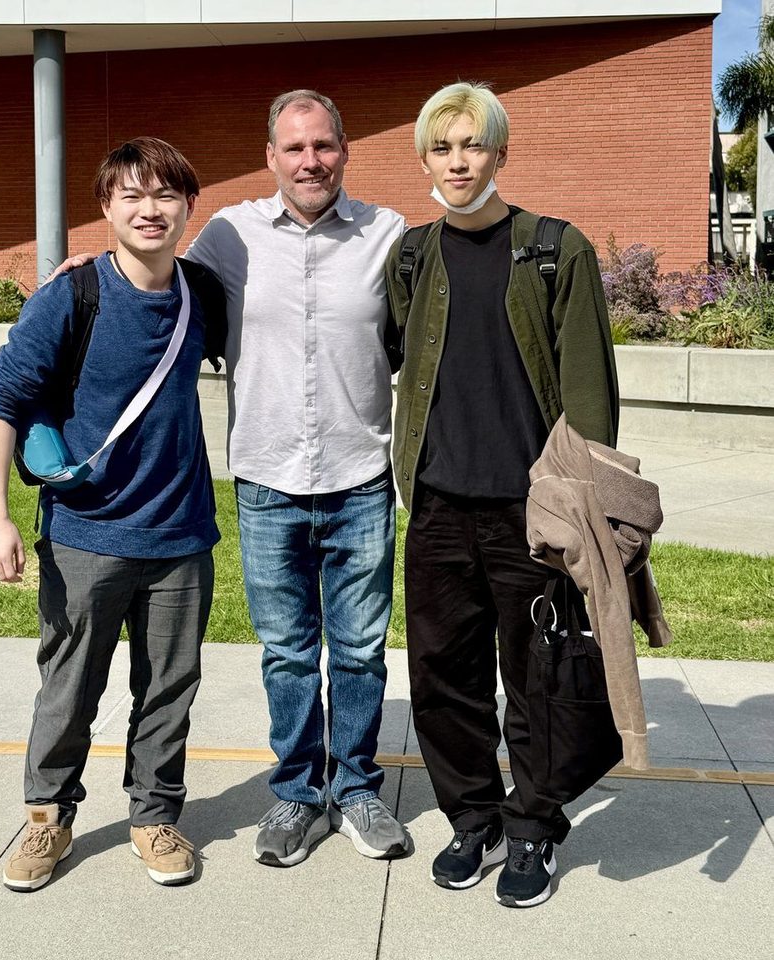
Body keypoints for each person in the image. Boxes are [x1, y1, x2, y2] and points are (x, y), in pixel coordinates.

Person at [385, 82, 618, 908]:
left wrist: (586, 510)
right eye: (441, 147)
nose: (457, 160)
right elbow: (378, 352)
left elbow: (589, 394)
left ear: (500, 154)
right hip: (440, 506)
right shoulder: (411, 256)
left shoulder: (556, 249)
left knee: (538, 679)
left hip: (534, 514)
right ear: (424, 160)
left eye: (472, 144)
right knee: (442, 677)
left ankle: (533, 826)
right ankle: (472, 817)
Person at [0, 137, 225, 891]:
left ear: (188, 206)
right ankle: (47, 818)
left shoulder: (203, 294)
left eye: (166, 196)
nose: (150, 210)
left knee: (169, 686)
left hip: (181, 534)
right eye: (132, 196)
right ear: (106, 209)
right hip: (86, 533)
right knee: (70, 686)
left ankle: (155, 815)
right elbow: (1, 402)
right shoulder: (72, 295)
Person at [185, 90, 408, 866]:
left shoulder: (389, 236)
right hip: (268, 478)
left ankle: (354, 789)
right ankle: (295, 795)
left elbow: (420, 335)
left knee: (358, 650)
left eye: (323, 146)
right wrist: (89, 267)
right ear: (270, 157)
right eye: (294, 147)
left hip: (359, 476)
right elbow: (158, 292)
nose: (310, 160)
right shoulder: (226, 236)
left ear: (344, 150)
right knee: (285, 651)